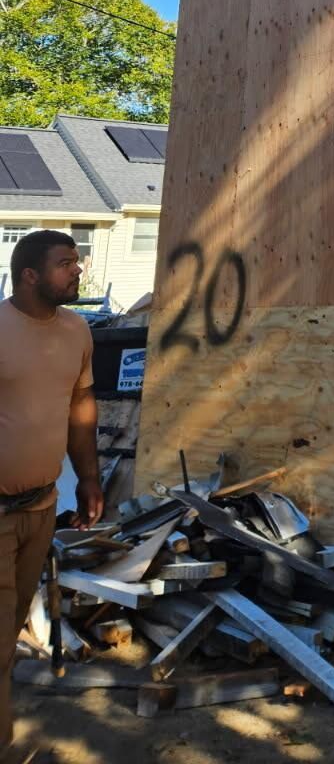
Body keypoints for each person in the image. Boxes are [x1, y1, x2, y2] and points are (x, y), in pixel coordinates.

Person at [1, 231, 102, 761]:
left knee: (12, 627)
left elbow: (80, 409)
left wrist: (88, 478)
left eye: (77, 262)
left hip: (40, 507)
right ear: (30, 276)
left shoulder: (77, 331)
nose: (77, 271)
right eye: (66, 264)